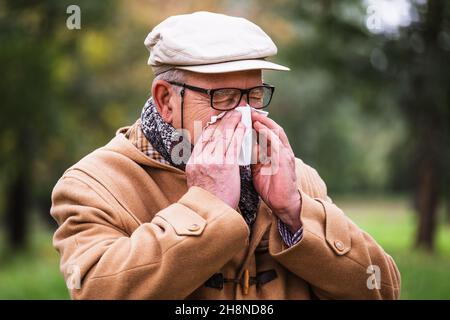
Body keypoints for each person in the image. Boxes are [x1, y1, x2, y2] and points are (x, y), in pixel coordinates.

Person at [50, 11, 401, 299]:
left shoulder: (294, 177)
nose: (246, 116)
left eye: (255, 95)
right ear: (166, 100)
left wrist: (294, 215)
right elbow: (99, 292)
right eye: (225, 97)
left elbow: (382, 291)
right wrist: (206, 205)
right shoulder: (93, 184)